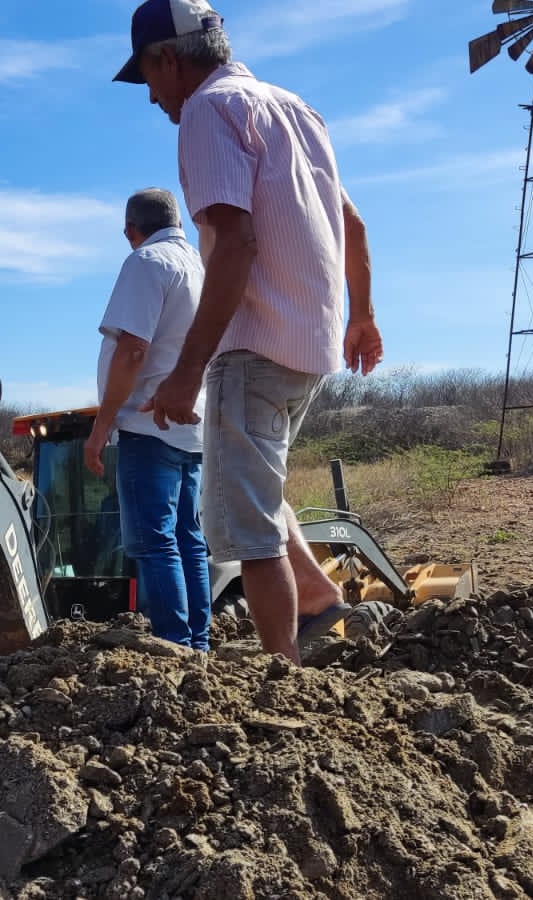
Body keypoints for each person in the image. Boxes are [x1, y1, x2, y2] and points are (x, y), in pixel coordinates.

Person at [114, 0, 384, 663]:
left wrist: (186, 373)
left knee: (249, 536)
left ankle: (281, 673)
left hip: (255, 346)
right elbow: (353, 225)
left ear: (167, 58)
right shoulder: (296, 109)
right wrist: (363, 314)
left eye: (148, 78)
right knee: (256, 493)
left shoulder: (207, 112)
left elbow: (234, 242)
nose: (152, 97)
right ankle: (318, 598)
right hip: (310, 349)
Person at [83, 188, 212, 652]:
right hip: (191, 429)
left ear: (130, 231)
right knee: (187, 539)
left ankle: (174, 645)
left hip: (146, 426)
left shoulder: (146, 262)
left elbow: (133, 349)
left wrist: (101, 428)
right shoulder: (200, 266)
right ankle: (197, 644)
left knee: (156, 542)